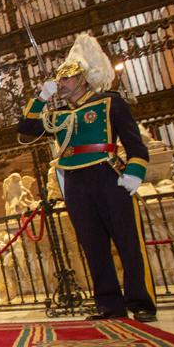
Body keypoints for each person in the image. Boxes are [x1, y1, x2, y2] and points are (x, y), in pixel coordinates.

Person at [17, 32, 157, 322]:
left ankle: (141, 302)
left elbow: (135, 144)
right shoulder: (58, 116)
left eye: (66, 78)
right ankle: (109, 304)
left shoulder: (110, 103)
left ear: (82, 78)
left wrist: (134, 172)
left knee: (128, 241)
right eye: (59, 80)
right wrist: (42, 98)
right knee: (93, 245)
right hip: (76, 181)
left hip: (108, 174)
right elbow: (25, 129)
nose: (61, 84)